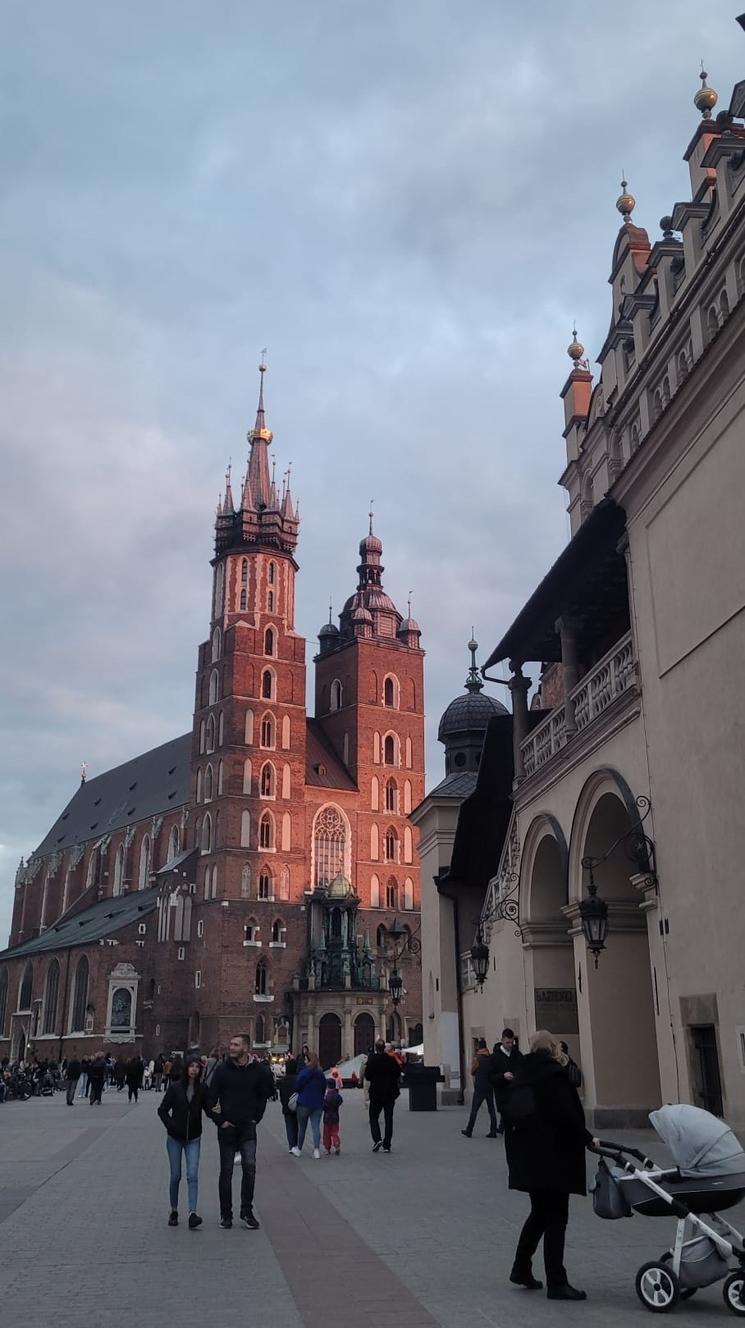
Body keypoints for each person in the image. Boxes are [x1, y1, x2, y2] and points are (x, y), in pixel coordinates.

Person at [504, 1030, 596, 1301]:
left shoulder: (522, 1074)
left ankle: (521, 1268)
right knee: (556, 1218)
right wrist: (588, 1138)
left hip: (528, 1158)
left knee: (539, 1214)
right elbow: (567, 1114)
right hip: (553, 1158)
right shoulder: (553, 1076)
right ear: (554, 1048)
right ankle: (557, 1281)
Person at [206, 1033, 274, 1230]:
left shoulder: (258, 1070)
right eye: (231, 1044)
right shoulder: (222, 1070)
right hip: (228, 1128)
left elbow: (265, 1094)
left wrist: (256, 1118)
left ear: (246, 1047)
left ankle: (246, 1211)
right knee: (226, 1172)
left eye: (235, 1045)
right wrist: (220, 1121)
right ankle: (226, 1214)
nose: (231, 1047)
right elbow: (210, 1098)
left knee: (250, 1167)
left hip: (247, 1127)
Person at [157, 1055, 206, 1229]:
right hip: (175, 1138)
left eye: (197, 1067)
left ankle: (192, 1213)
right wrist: (171, 1126)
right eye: (191, 1066)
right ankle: (174, 1210)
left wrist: (223, 1119)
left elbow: (209, 1108)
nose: (194, 1069)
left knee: (192, 1175)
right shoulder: (175, 1088)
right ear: (186, 1069)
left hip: (193, 1137)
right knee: (175, 1175)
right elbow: (162, 1110)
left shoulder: (202, 1089)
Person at [364, 1038, 401, 1153]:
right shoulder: (391, 1060)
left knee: (373, 1117)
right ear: (384, 1047)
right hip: (389, 1093)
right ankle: (387, 1145)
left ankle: (377, 1139)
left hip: (376, 1093)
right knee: (388, 1119)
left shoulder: (372, 1060)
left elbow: (368, 1076)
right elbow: (397, 1073)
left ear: (376, 1048)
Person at [462, 1038, 498, 1139]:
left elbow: (472, 1071)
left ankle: (469, 1129)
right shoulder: (490, 1058)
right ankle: (493, 1130)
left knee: (474, 1109)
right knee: (491, 1109)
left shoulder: (477, 1058)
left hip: (479, 1086)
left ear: (478, 1047)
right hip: (489, 1086)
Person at [291, 1053, 326, 1159]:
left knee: (302, 1128)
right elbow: (324, 1087)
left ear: (309, 1060)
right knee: (316, 1127)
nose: (305, 1061)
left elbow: (297, 1086)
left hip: (304, 1103)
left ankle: (299, 1149)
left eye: (306, 1059)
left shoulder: (304, 1072)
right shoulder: (321, 1073)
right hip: (318, 1104)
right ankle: (316, 1150)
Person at [491, 1028, 523, 1135]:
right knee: (507, 1122)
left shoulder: (517, 1054)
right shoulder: (495, 1057)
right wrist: (502, 1076)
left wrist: (517, 1076)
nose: (510, 1045)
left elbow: (523, 1069)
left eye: (512, 1042)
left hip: (516, 1093)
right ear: (502, 1040)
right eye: (507, 1042)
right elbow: (490, 1077)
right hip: (502, 1094)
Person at [278, 1056, 299, 1153]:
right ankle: (298, 1144)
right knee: (297, 1125)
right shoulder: (299, 1079)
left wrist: (283, 1104)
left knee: (289, 1126)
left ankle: (291, 1146)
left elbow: (281, 1095)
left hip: (286, 1107)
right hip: (298, 1105)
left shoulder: (283, 1080)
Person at [323, 1077, 343, 1155]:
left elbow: (324, 1106)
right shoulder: (337, 1095)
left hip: (327, 1117)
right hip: (335, 1117)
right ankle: (336, 1143)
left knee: (327, 1134)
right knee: (335, 1132)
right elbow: (341, 1101)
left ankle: (327, 1148)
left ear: (327, 1086)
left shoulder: (326, 1096)